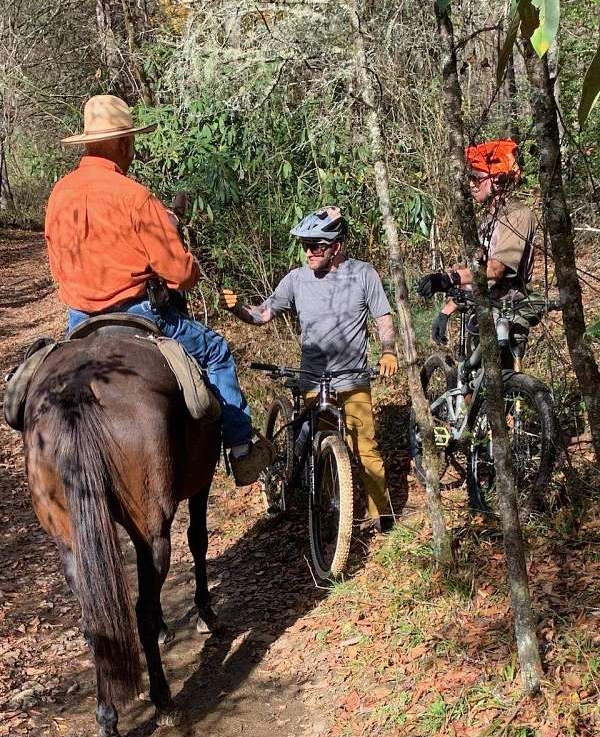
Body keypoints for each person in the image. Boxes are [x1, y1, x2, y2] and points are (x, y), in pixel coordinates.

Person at [45, 94, 271, 485]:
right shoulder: (135, 197)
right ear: (121, 143)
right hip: (140, 313)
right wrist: (191, 268)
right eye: (130, 140)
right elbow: (178, 275)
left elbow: (57, 268)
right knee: (217, 351)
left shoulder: (58, 196)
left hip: (78, 320)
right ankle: (241, 449)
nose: (131, 148)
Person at [219, 206, 398, 531]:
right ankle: (333, 512)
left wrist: (388, 352)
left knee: (365, 448)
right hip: (314, 381)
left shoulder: (362, 274)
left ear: (336, 246)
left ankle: (381, 516)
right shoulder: (297, 279)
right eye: (305, 245)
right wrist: (237, 310)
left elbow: (383, 318)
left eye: (316, 245)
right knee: (321, 443)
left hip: (353, 379)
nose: (308, 252)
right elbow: (263, 314)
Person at [417, 138, 536, 354]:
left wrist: (449, 278)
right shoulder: (485, 220)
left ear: (498, 179)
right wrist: (446, 310)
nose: (472, 184)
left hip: (508, 313)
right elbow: (475, 272)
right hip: (481, 311)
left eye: (477, 178)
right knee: (472, 380)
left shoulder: (517, 215)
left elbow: (495, 270)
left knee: (504, 380)